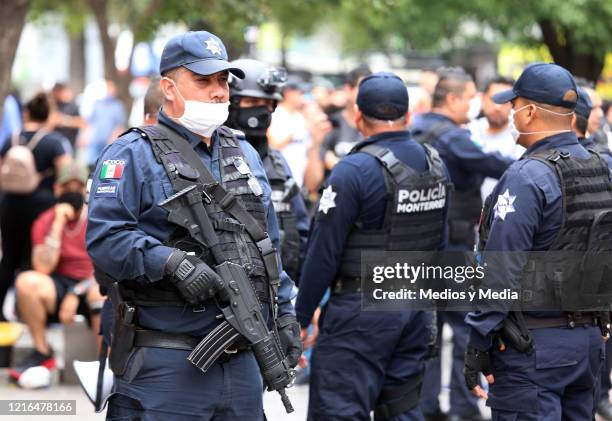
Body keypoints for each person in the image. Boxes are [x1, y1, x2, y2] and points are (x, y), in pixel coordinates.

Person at [86, 30, 300, 419]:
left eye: (222, 81)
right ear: (169, 87)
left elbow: (267, 247)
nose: (218, 92)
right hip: (168, 361)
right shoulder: (132, 153)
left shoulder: (245, 153)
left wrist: (285, 314)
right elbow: (105, 239)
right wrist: (170, 262)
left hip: (241, 362)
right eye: (203, 81)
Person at [296, 72, 451, 420]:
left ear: (357, 115)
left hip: (360, 313)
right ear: (408, 116)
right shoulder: (435, 164)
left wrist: (301, 318)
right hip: (415, 306)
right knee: (402, 409)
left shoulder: (353, 170)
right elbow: (439, 242)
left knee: (338, 409)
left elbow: (324, 252)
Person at [464, 62, 612, 420]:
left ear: (530, 112)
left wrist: (478, 344)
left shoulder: (528, 176)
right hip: (588, 344)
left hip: (534, 350)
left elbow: (501, 271)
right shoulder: (602, 167)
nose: (510, 113)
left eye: (514, 105)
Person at [411, 68, 512, 421]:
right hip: (452, 249)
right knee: (471, 325)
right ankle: (465, 406)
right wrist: (532, 165)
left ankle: (427, 408)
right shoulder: (450, 135)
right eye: (470, 97)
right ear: (452, 99)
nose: (474, 104)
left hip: (420, 248)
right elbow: (492, 163)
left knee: (429, 333)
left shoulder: (417, 127)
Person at [9, 161, 103, 382]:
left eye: (77, 186)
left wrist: (76, 292)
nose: (71, 192)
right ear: (56, 189)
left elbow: (106, 264)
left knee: (100, 292)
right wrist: (58, 224)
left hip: (93, 282)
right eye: (66, 186)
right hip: (58, 283)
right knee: (26, 282)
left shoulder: (97, 217)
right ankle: (42, 351)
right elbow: (42, 267)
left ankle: (105, 363)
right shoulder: (46, 220)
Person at [226, 58, 310, 285]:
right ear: (230, 103)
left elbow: (300, 231)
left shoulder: (278, 163)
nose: (261, 111)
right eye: (252, 101)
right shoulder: (209, 158)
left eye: (267, 104)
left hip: (279, 293)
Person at [0, 92, 72, 319]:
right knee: (32, 257)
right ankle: (25, 309)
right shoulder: (53, 142)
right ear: (47, 115)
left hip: (9, 204)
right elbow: (66, 174)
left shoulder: (11, 138)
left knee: (8, 257)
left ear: (26, 113)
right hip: (41, 208)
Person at [468, 76, 524, 201]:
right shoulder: (468, 131)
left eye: (504, 101)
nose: (497, 107)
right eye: (493, 99)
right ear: (482, 99)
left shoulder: (520, 138)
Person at [268, 77, 310, 187]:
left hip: (299, 179)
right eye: (300, 93)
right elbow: (274, 145)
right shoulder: (276, 114)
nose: (302, 97)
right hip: (279, 177)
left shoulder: (300, 116)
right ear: (288, 93)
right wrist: (293, 133)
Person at [83, 80, 126, 171]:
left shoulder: (118, 106)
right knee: (92, 166)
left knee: (106, 168)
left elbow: (120, 125)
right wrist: (84, 135)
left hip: (109, 143)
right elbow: (89, 122)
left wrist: (115, 137)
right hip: (95, 141)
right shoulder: (96, 104)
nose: (111, 90)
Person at [49, 83, 86, 148]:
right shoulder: (52, 105)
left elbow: (81, 122)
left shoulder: (72, 106)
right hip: (54, 141)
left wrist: (64, 120)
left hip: (70, 141)